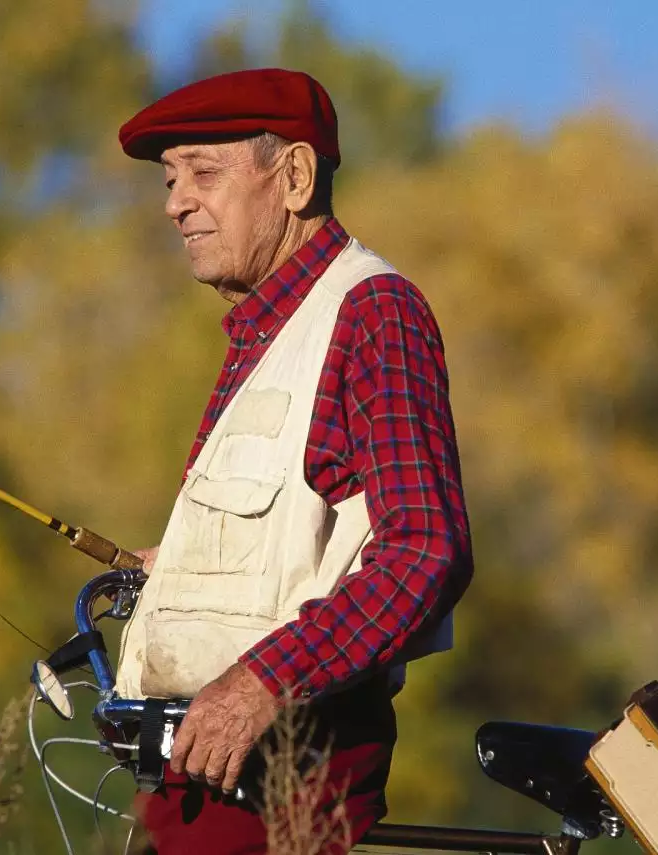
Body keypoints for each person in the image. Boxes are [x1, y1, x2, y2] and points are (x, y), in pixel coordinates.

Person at [112, 67, 473, 854]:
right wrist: (179, 573)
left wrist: (259, 683)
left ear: (296, 177)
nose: (175, 202)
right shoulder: (267, 334)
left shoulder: (374, 311)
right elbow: (296, 545)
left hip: (284, 778)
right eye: (171, 179)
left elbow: (424, 549)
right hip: (204, 778)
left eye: (203, 173)